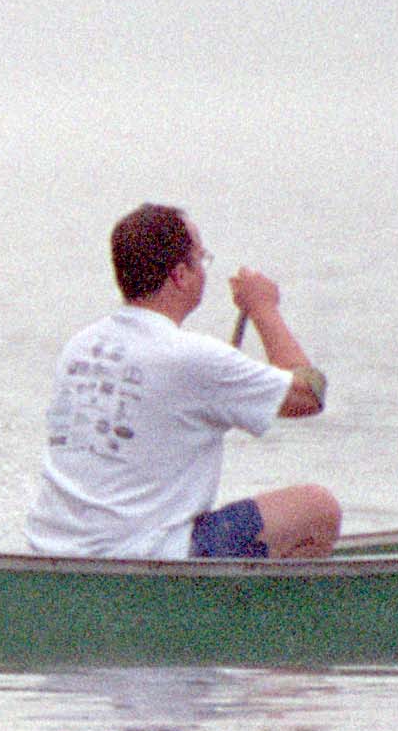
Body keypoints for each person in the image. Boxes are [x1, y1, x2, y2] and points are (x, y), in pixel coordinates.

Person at [27, 203, 334, 560]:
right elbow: (309, 394)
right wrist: (263, 307)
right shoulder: (192, 357)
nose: (204, 271)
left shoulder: (79, 346)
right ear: (180, 275)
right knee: (318, 509)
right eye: (201, 260)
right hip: (144, 558)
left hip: (54, 551)